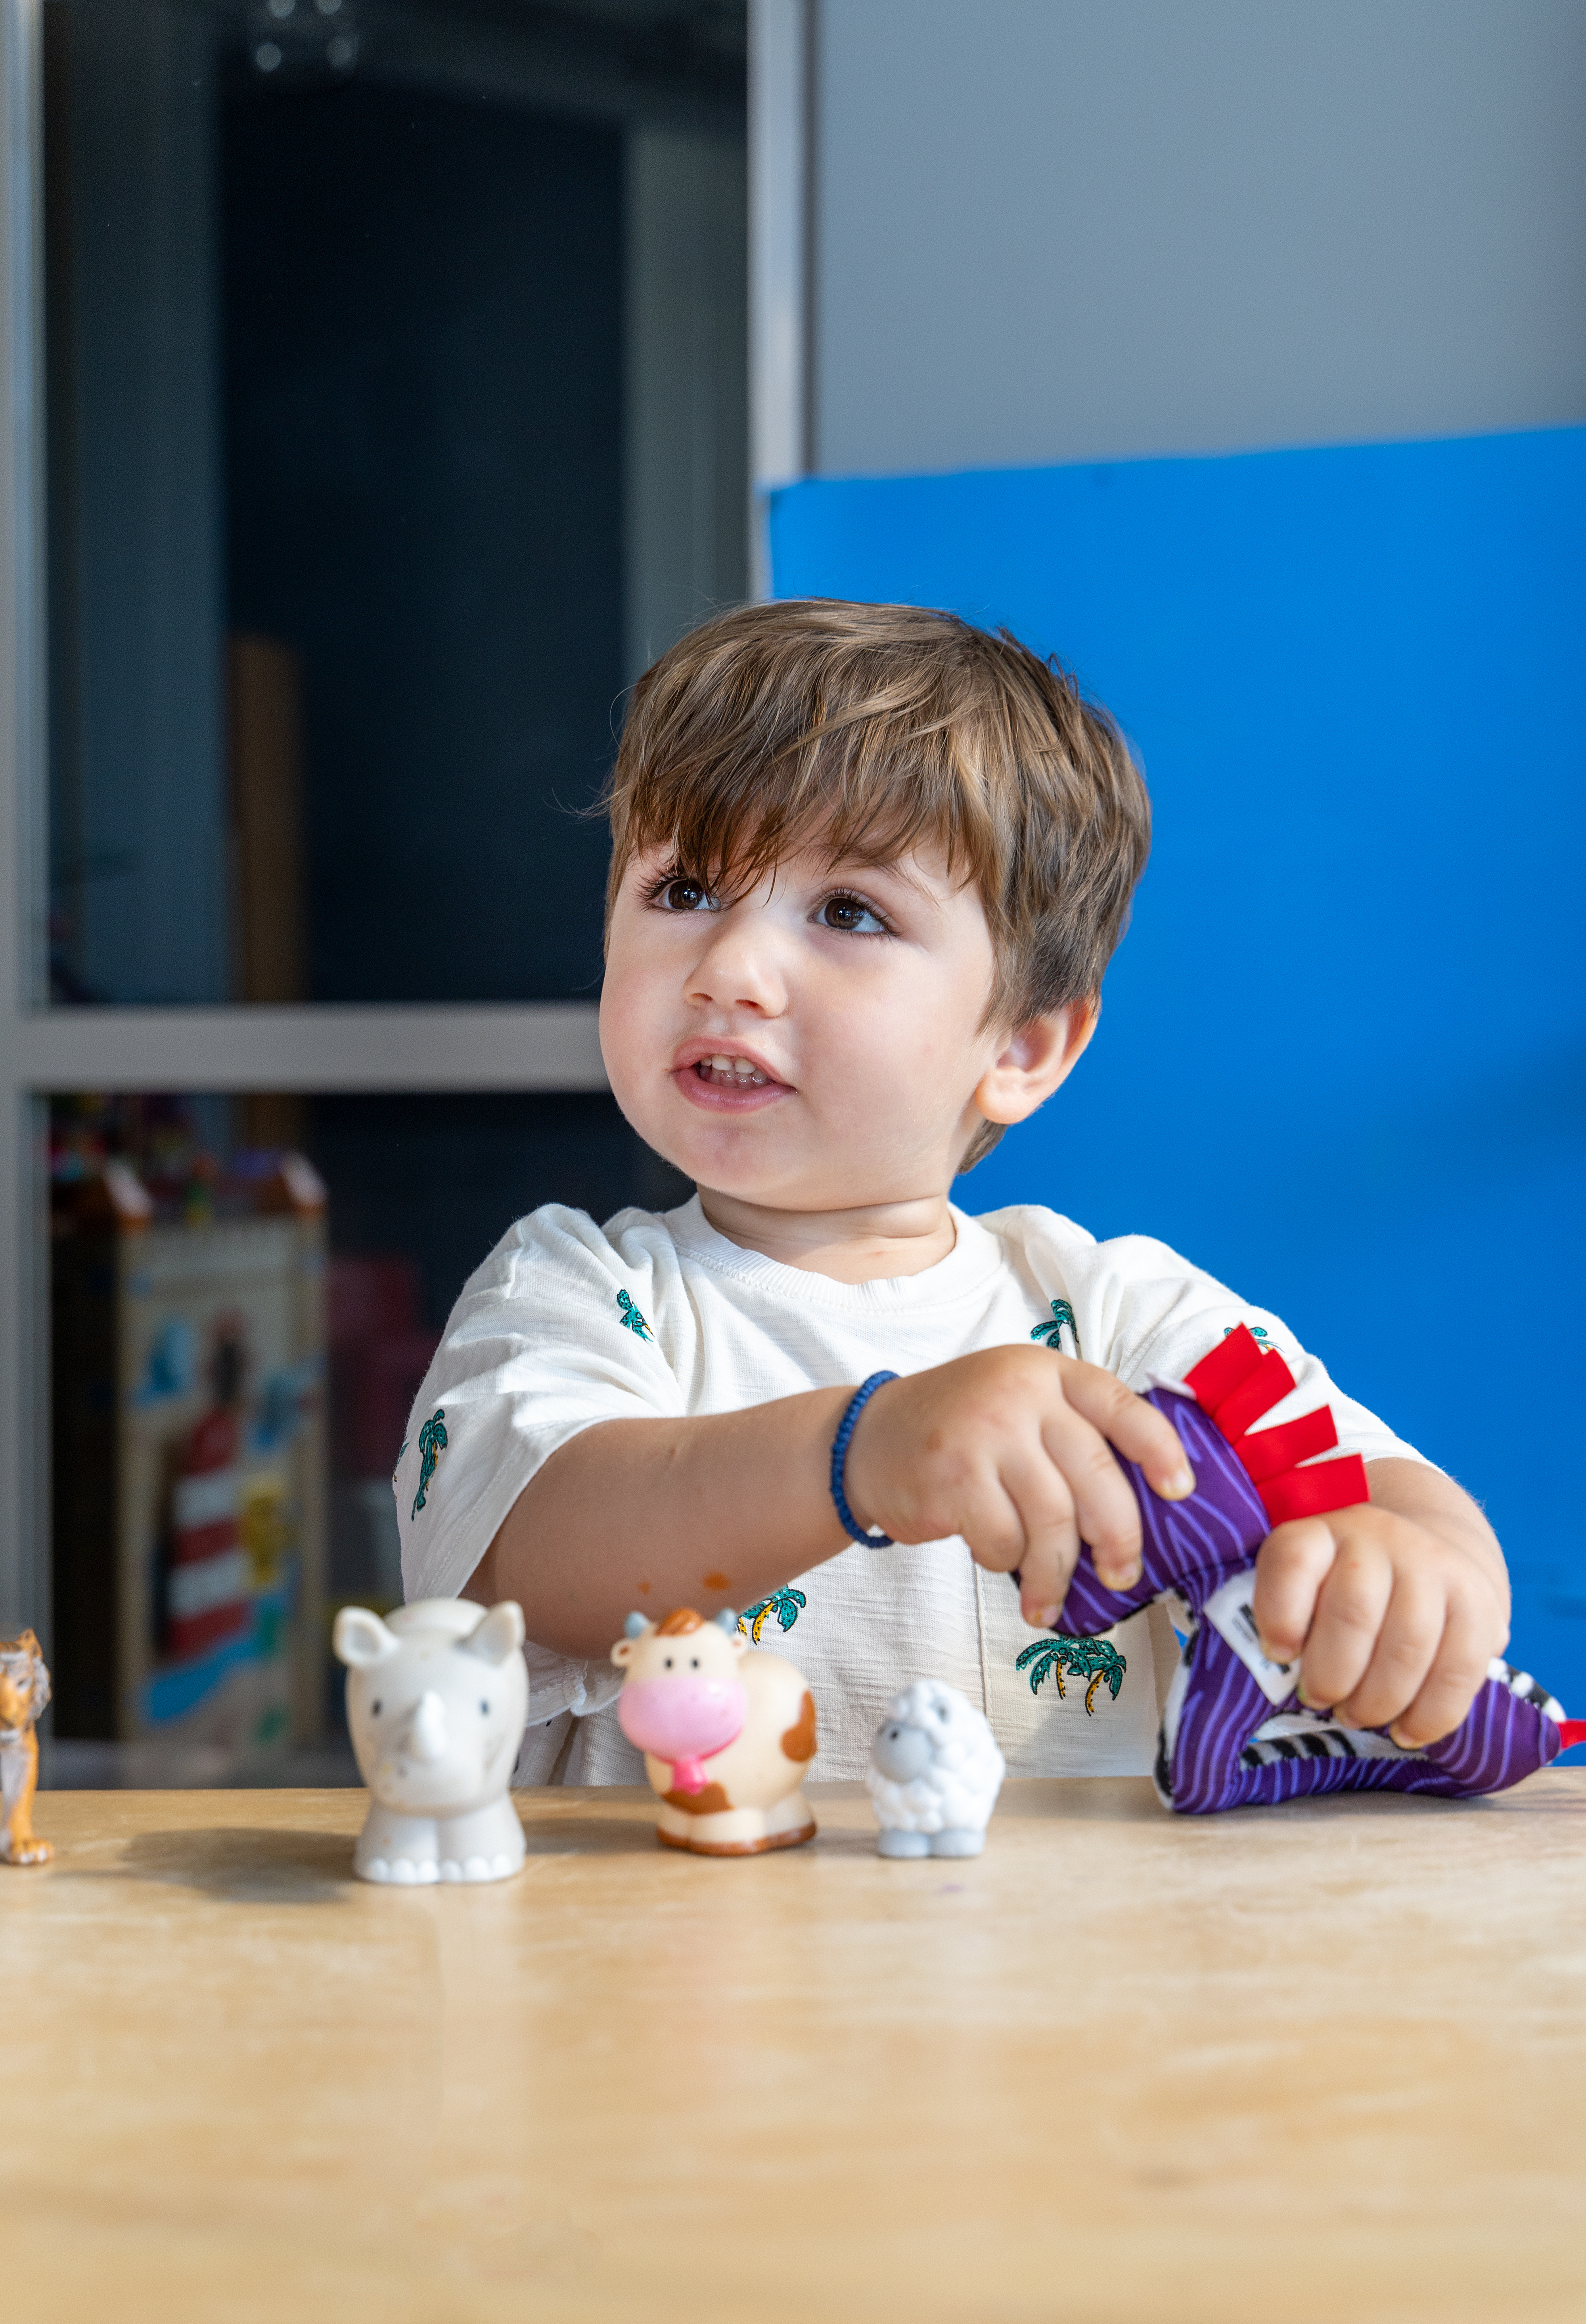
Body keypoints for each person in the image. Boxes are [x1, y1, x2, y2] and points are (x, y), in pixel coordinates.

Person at [395, 600, 1507, 1786]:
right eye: (684, 891)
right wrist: (867, 1450)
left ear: (1022, 1048)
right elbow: (531, 1557)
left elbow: (1379, 1487)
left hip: (1058, 1967)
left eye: (848, 913)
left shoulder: (1116, 1312)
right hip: (671, 1970)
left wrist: (1413, 1566)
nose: (731, 970)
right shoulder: (579, 1290)